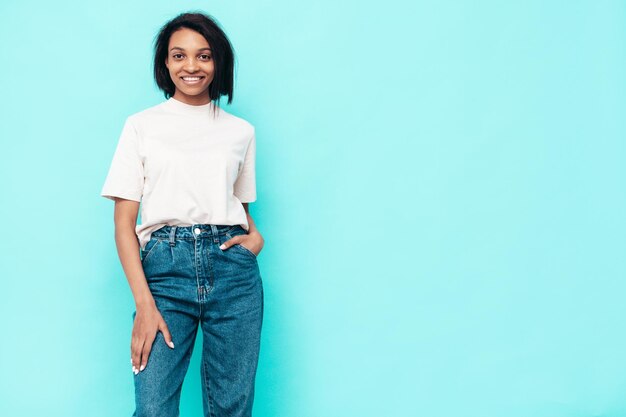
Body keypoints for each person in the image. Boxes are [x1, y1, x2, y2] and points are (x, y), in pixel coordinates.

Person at [100, 11, 265, 417]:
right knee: (153, 408)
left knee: (232, 408)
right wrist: (144, 303)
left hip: (233, 274)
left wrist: (255, 237)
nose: (191, 67)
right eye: (179, 56)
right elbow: (124, 224)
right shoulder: (141, 126)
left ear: (218, 63)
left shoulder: (240, 131)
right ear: (165, 63)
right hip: (165, 270)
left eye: (203, 56)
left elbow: (235, 202)